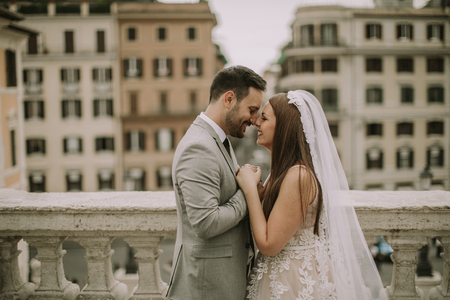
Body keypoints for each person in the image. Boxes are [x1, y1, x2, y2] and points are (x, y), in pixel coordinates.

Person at [236, 90, 388, 300]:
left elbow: (269, 245)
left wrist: (250, 191)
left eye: (264, 118)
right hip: (281, 275)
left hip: (296, 280)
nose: (257, 123)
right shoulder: (283, 171)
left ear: (285, 127)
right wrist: (262, 195)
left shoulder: (298, 176)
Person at [166, 65, 267, 300]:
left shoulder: (218, 138)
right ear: (229, 99)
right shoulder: (199, 147)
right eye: (252, 110)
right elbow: (205, 223)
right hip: (206, 287)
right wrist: (248, 192)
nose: (254, 120)